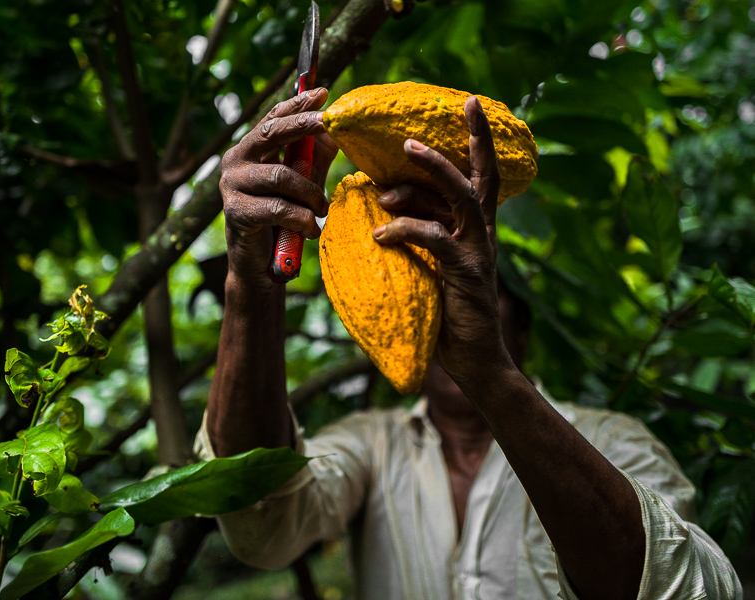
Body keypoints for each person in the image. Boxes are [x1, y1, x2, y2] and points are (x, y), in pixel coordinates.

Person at [197, 88, 743, 599]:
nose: (436, 301)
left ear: (520, 329)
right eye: (420, 274)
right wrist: (250, 288)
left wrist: (488, 372)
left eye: (461, 281)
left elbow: (698, 588)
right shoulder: (372, 446)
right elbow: (259, 522)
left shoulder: (612, 443)